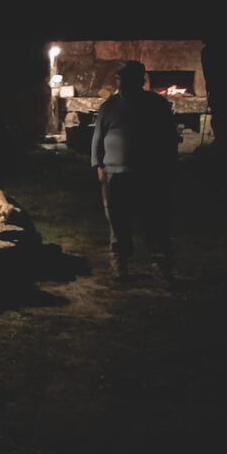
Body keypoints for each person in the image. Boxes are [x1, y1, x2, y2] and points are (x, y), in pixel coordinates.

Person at [91, 60, 179, 286]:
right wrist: (99, 167)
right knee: (118, 223)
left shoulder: (157, 105)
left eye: (127, 79)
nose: (122, 83)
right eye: (120, 79)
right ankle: (120, 268)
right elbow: (97, 140)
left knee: (155, 222)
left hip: (149, 174)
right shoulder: (109, 106)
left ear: (141, 81)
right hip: (114, 174)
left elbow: (168, 140)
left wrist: (168, 168)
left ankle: (162, 269)